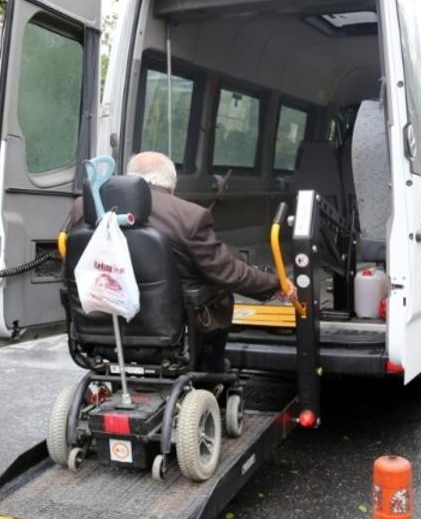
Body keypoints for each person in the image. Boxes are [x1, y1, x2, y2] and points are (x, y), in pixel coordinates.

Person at [70, 151, 296, 371]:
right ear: (172, 188)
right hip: (167, 328)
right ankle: (211, 368)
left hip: (99, 327)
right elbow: (226, 272)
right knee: (220, 294)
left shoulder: (84, 207)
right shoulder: (189, 216)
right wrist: (276, 284)